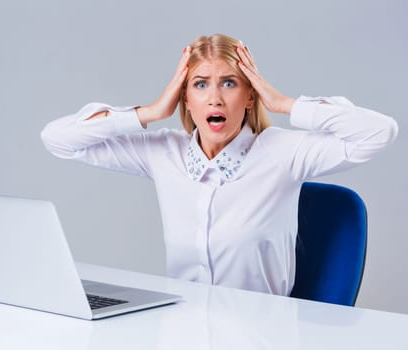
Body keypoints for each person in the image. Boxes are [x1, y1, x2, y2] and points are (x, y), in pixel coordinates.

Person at [40, 34, 398, 296]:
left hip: (263, 333)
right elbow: (58, 140)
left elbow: (379, 133)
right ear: (186, 98)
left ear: (248, 97)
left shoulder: (283, 152)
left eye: (229, 83)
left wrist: (285, 103)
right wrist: (150, 112)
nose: (215, 98)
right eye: (200, 85)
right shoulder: (164, 153)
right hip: (182, 328)